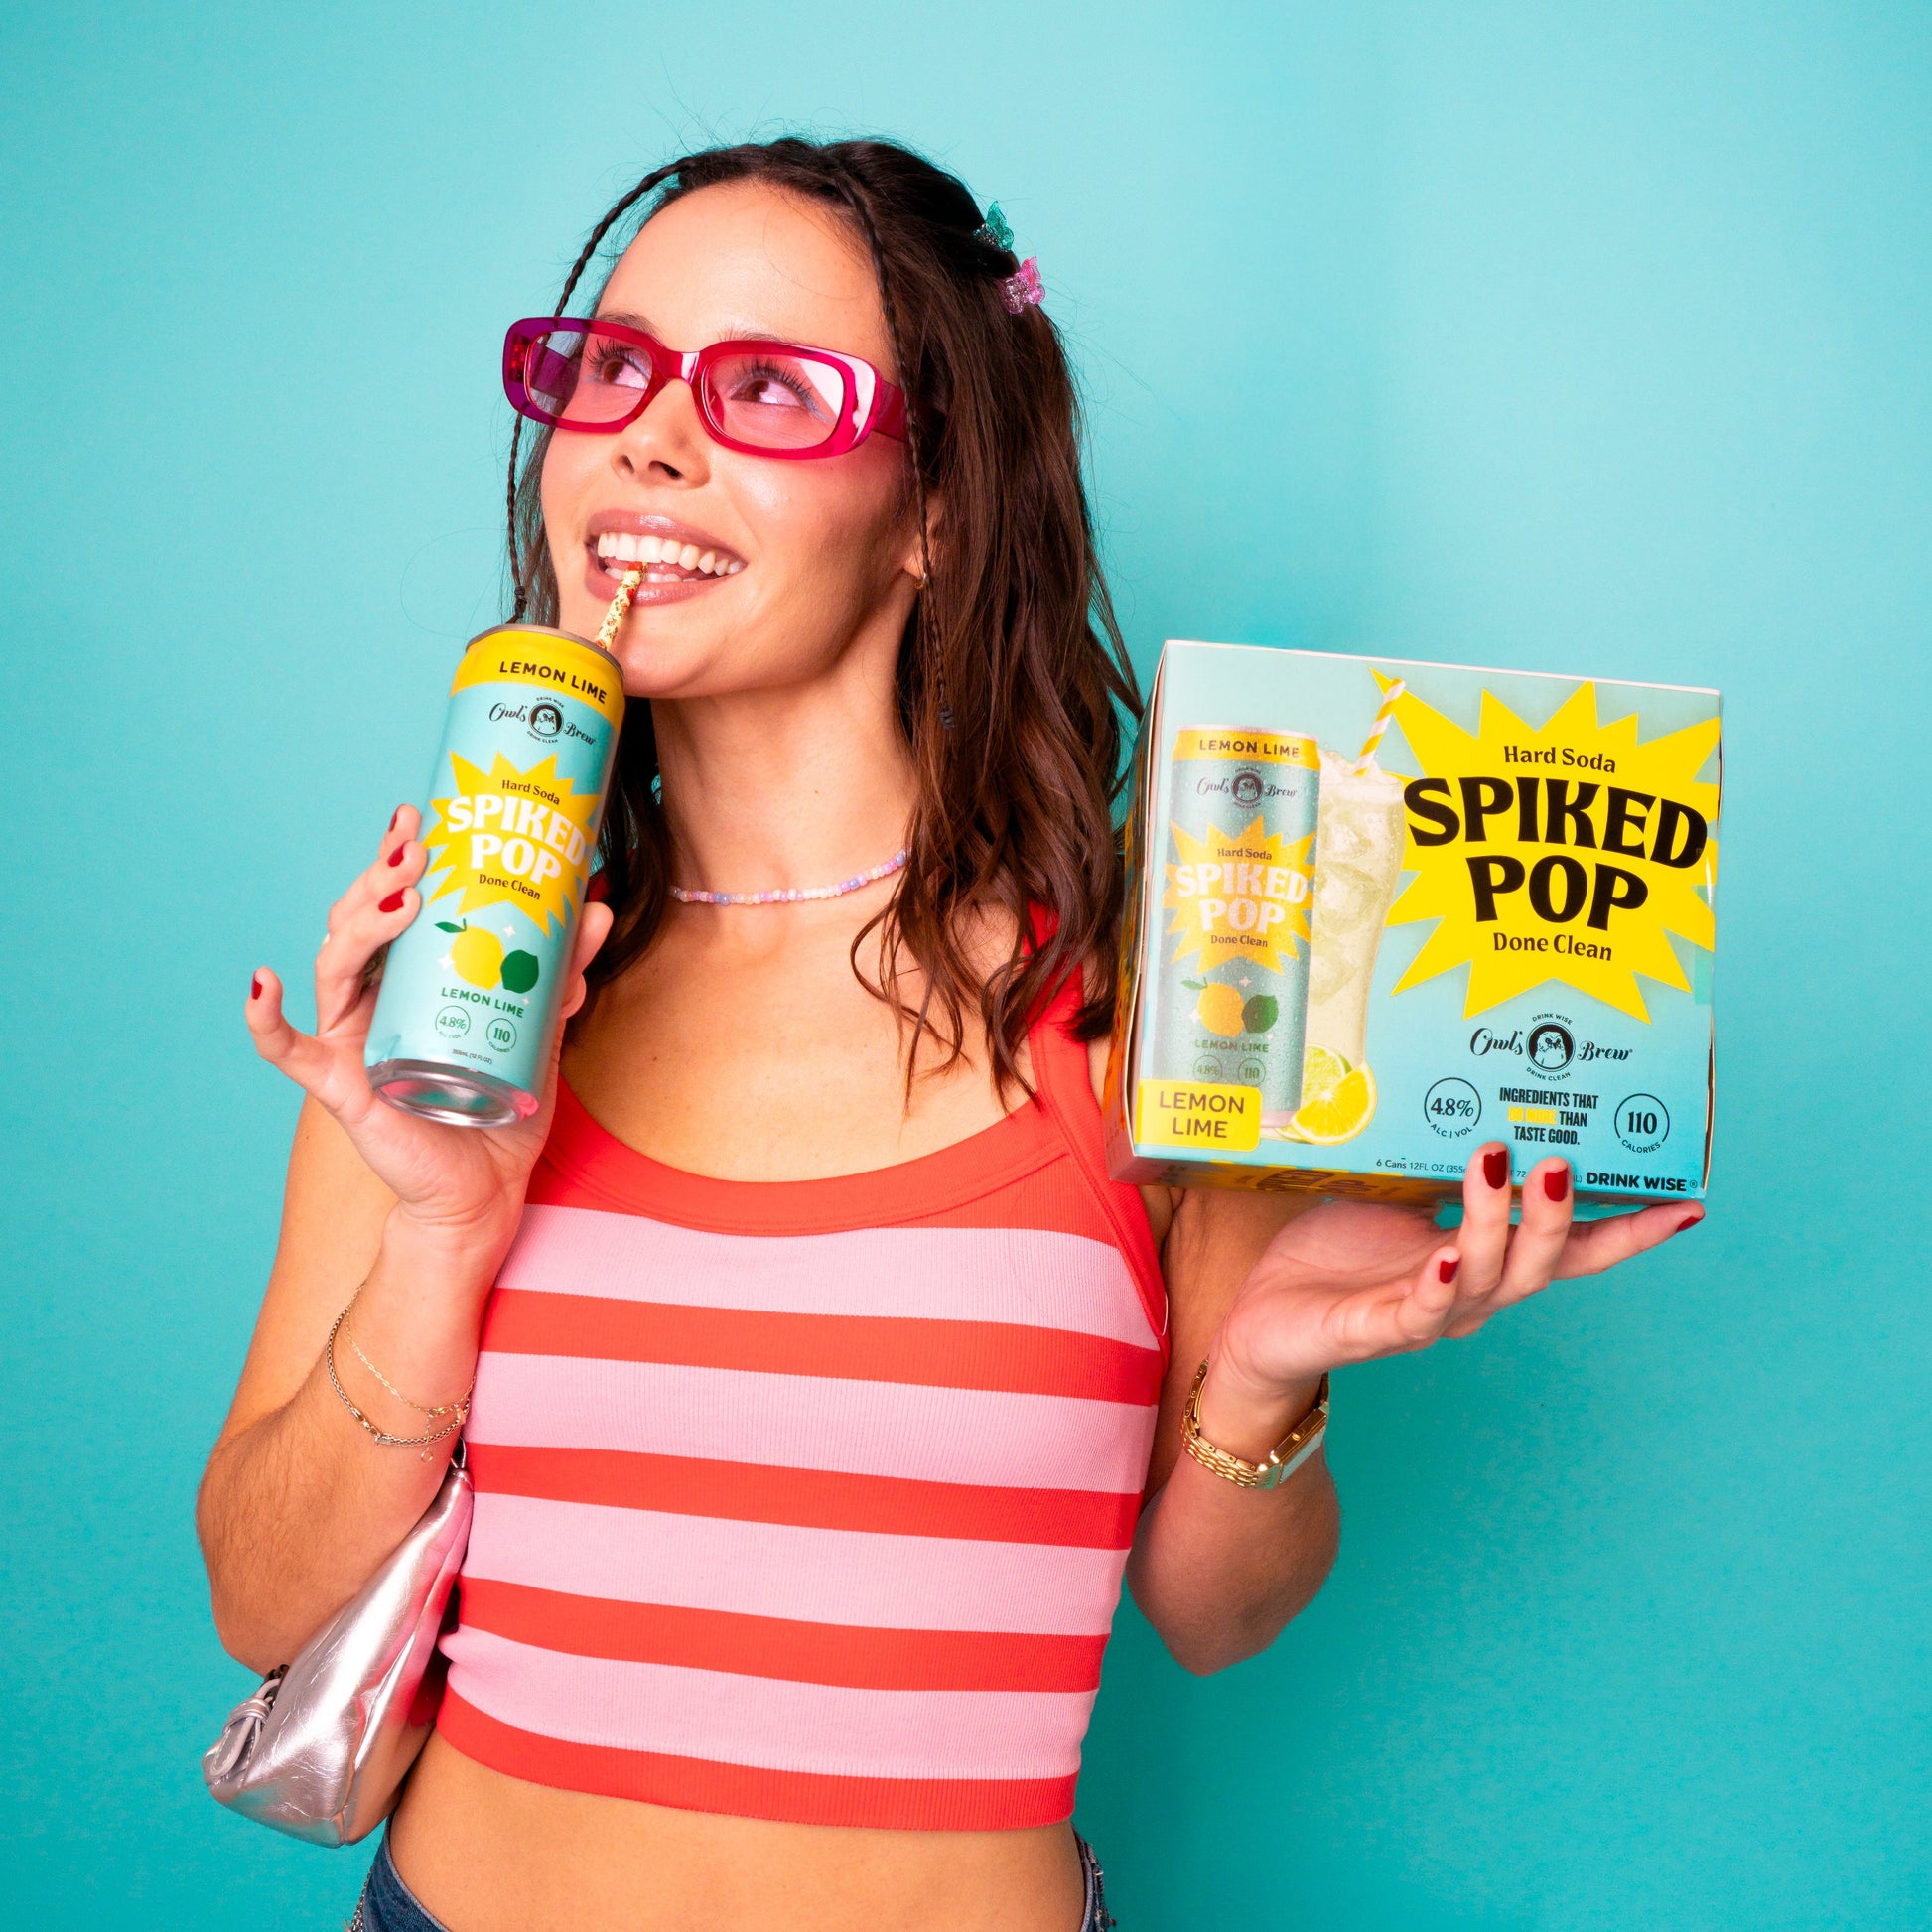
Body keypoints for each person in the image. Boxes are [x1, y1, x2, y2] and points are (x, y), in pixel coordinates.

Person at [197, 137, 1702, 1932]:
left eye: (764, 386)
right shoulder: (469, 992)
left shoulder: (1153, 1011)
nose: (647, 436)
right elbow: (262, 1602)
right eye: (612, 366)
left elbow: (1217, 1618)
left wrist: (1261, 1383)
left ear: (935, 511)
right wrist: (444, 1234)